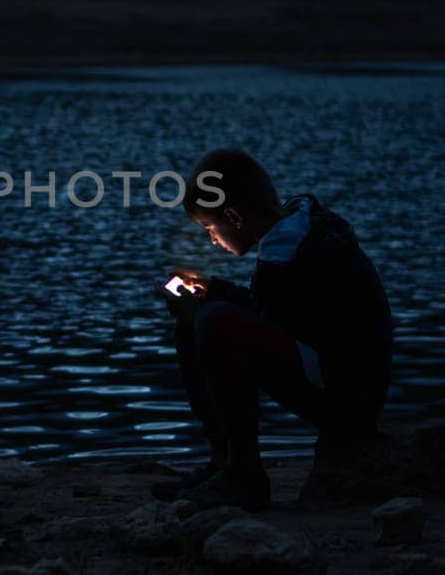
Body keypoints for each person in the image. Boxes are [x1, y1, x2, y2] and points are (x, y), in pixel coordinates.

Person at [157, 148, 393, 510]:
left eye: (210, 228)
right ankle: (223, 461)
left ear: (233, 216)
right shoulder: (299, 229)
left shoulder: (288, 252)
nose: (211, 240)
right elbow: (272, 311)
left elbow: (264, 321)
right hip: (333, 371)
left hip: (348, 393)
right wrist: (213, 289)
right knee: (204, 314)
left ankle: (243, 476)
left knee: (210, 320)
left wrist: (206, 310)